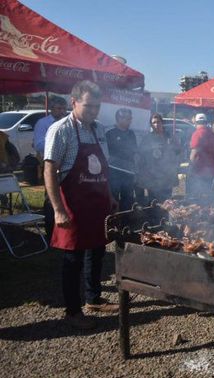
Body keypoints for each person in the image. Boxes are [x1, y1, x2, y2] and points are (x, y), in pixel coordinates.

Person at [44, 80, 119, 330]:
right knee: (72, 259)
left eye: (97, 107)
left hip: (97, 203)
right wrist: (58, 209)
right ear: (73, 102)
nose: (93, 111)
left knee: (97, 251)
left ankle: (93, 298)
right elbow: (50, 170)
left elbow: (104, 167)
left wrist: (110, 197)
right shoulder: (60, 129)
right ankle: (72, 311)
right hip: (72, 205)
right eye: (88, 106)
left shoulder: (98, 130)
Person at [33, 96, 68, 240]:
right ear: (52, 108)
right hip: (51, 166)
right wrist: (56, 141)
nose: (62, 111)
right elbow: (38, 145)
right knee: (50, 199)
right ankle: (50, 233)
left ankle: (63, 231)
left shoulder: (68, 123)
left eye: (64, 109)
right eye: (59, 108)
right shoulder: (43, 123)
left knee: (66, 197)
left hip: (66, 166)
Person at [137, 113, 181, 204]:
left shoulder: (170, 136)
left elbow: (178, 152)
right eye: (154, 123)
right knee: (154, 202)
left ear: (162, 123)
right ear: (151, 125)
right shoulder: (147, 139)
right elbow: (141, 157)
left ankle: (166, 217)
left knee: (167, 202)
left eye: (158, 122)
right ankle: (154, 218)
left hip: (167, 177)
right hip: (153, 178)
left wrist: (173, 145)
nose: (156, 125)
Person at [106, 108, 138, 211]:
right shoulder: (110, 133)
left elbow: (134, 152)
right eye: (126, 118)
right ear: (118, 118)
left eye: (130, 118)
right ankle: (113, 223)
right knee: (113, 199)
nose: (129, 120)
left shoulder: (131, 134)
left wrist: (135, 169)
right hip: (114, 173)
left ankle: (126, 222)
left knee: (128, 200)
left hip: (129, 173)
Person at [188, 113, 214, 198]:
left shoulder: (197, 134)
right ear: (205, 122)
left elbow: (194, 153)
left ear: (196, 122)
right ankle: (207, 208)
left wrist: (190, 167)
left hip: (199, 171)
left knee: (196, 196)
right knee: (206, 194)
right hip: (211, 170)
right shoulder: (213, 134)